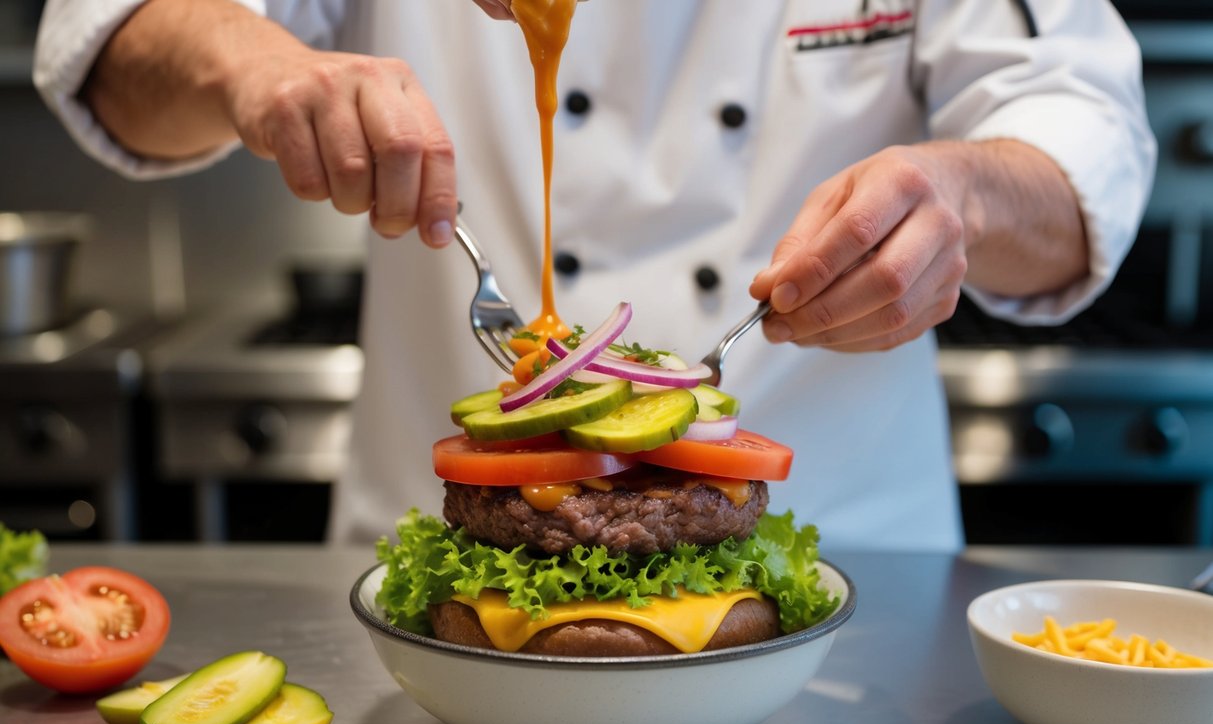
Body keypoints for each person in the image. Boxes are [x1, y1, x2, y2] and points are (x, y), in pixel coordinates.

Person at [33, 0, 1154, 552]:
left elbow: (1081, 141)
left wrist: (957, 196)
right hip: (452, 595)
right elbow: (108, 47)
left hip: (853, 571)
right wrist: (258, 65)